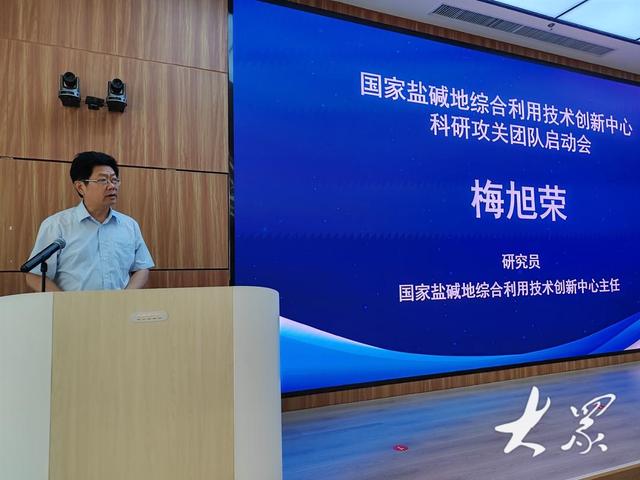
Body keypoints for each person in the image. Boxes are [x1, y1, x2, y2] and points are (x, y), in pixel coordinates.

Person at [25, 151, 154, 292]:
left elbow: (142, 268)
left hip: (120, 305)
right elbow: (35, 276)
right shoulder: (56, 225)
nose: (112, 186)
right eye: (103, 180)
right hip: (74, 305)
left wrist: (126, 297)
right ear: (80, 187)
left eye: (114, 180)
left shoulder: (129, 225)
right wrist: (64, 302)